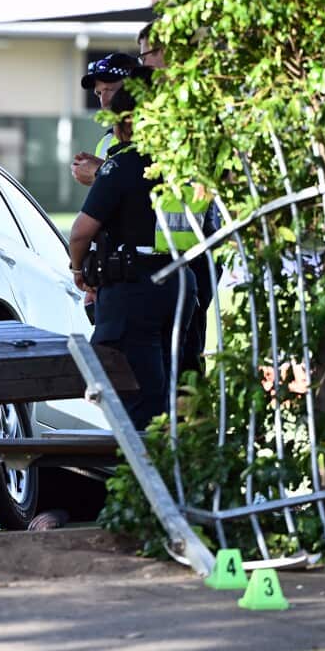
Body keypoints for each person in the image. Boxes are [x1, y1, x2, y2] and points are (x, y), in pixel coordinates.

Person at [69, 72, 196, 429]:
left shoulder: (124, 163)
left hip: (133, 286)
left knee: (135, 396)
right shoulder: (180, 164)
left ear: (126, 123)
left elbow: (80, 233)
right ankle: (172, 469)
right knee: (166, 386)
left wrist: (79, 271)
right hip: (179, 281)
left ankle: (143, 477)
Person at [137, 18, 223, 375]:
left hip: (193, 251)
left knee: (184, 355)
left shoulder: (195, 105)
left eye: (150, 54)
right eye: (141, 56)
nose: (143, 65)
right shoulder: (147, 109)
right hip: (150, 253)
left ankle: (185, 427)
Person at [70, 52, 140, 188]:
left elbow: (145, 189)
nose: (104, 101)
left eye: (111, 90)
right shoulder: (105, 142)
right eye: (99, 93)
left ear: (135, 89)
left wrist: (101, 172)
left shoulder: (156, 135)